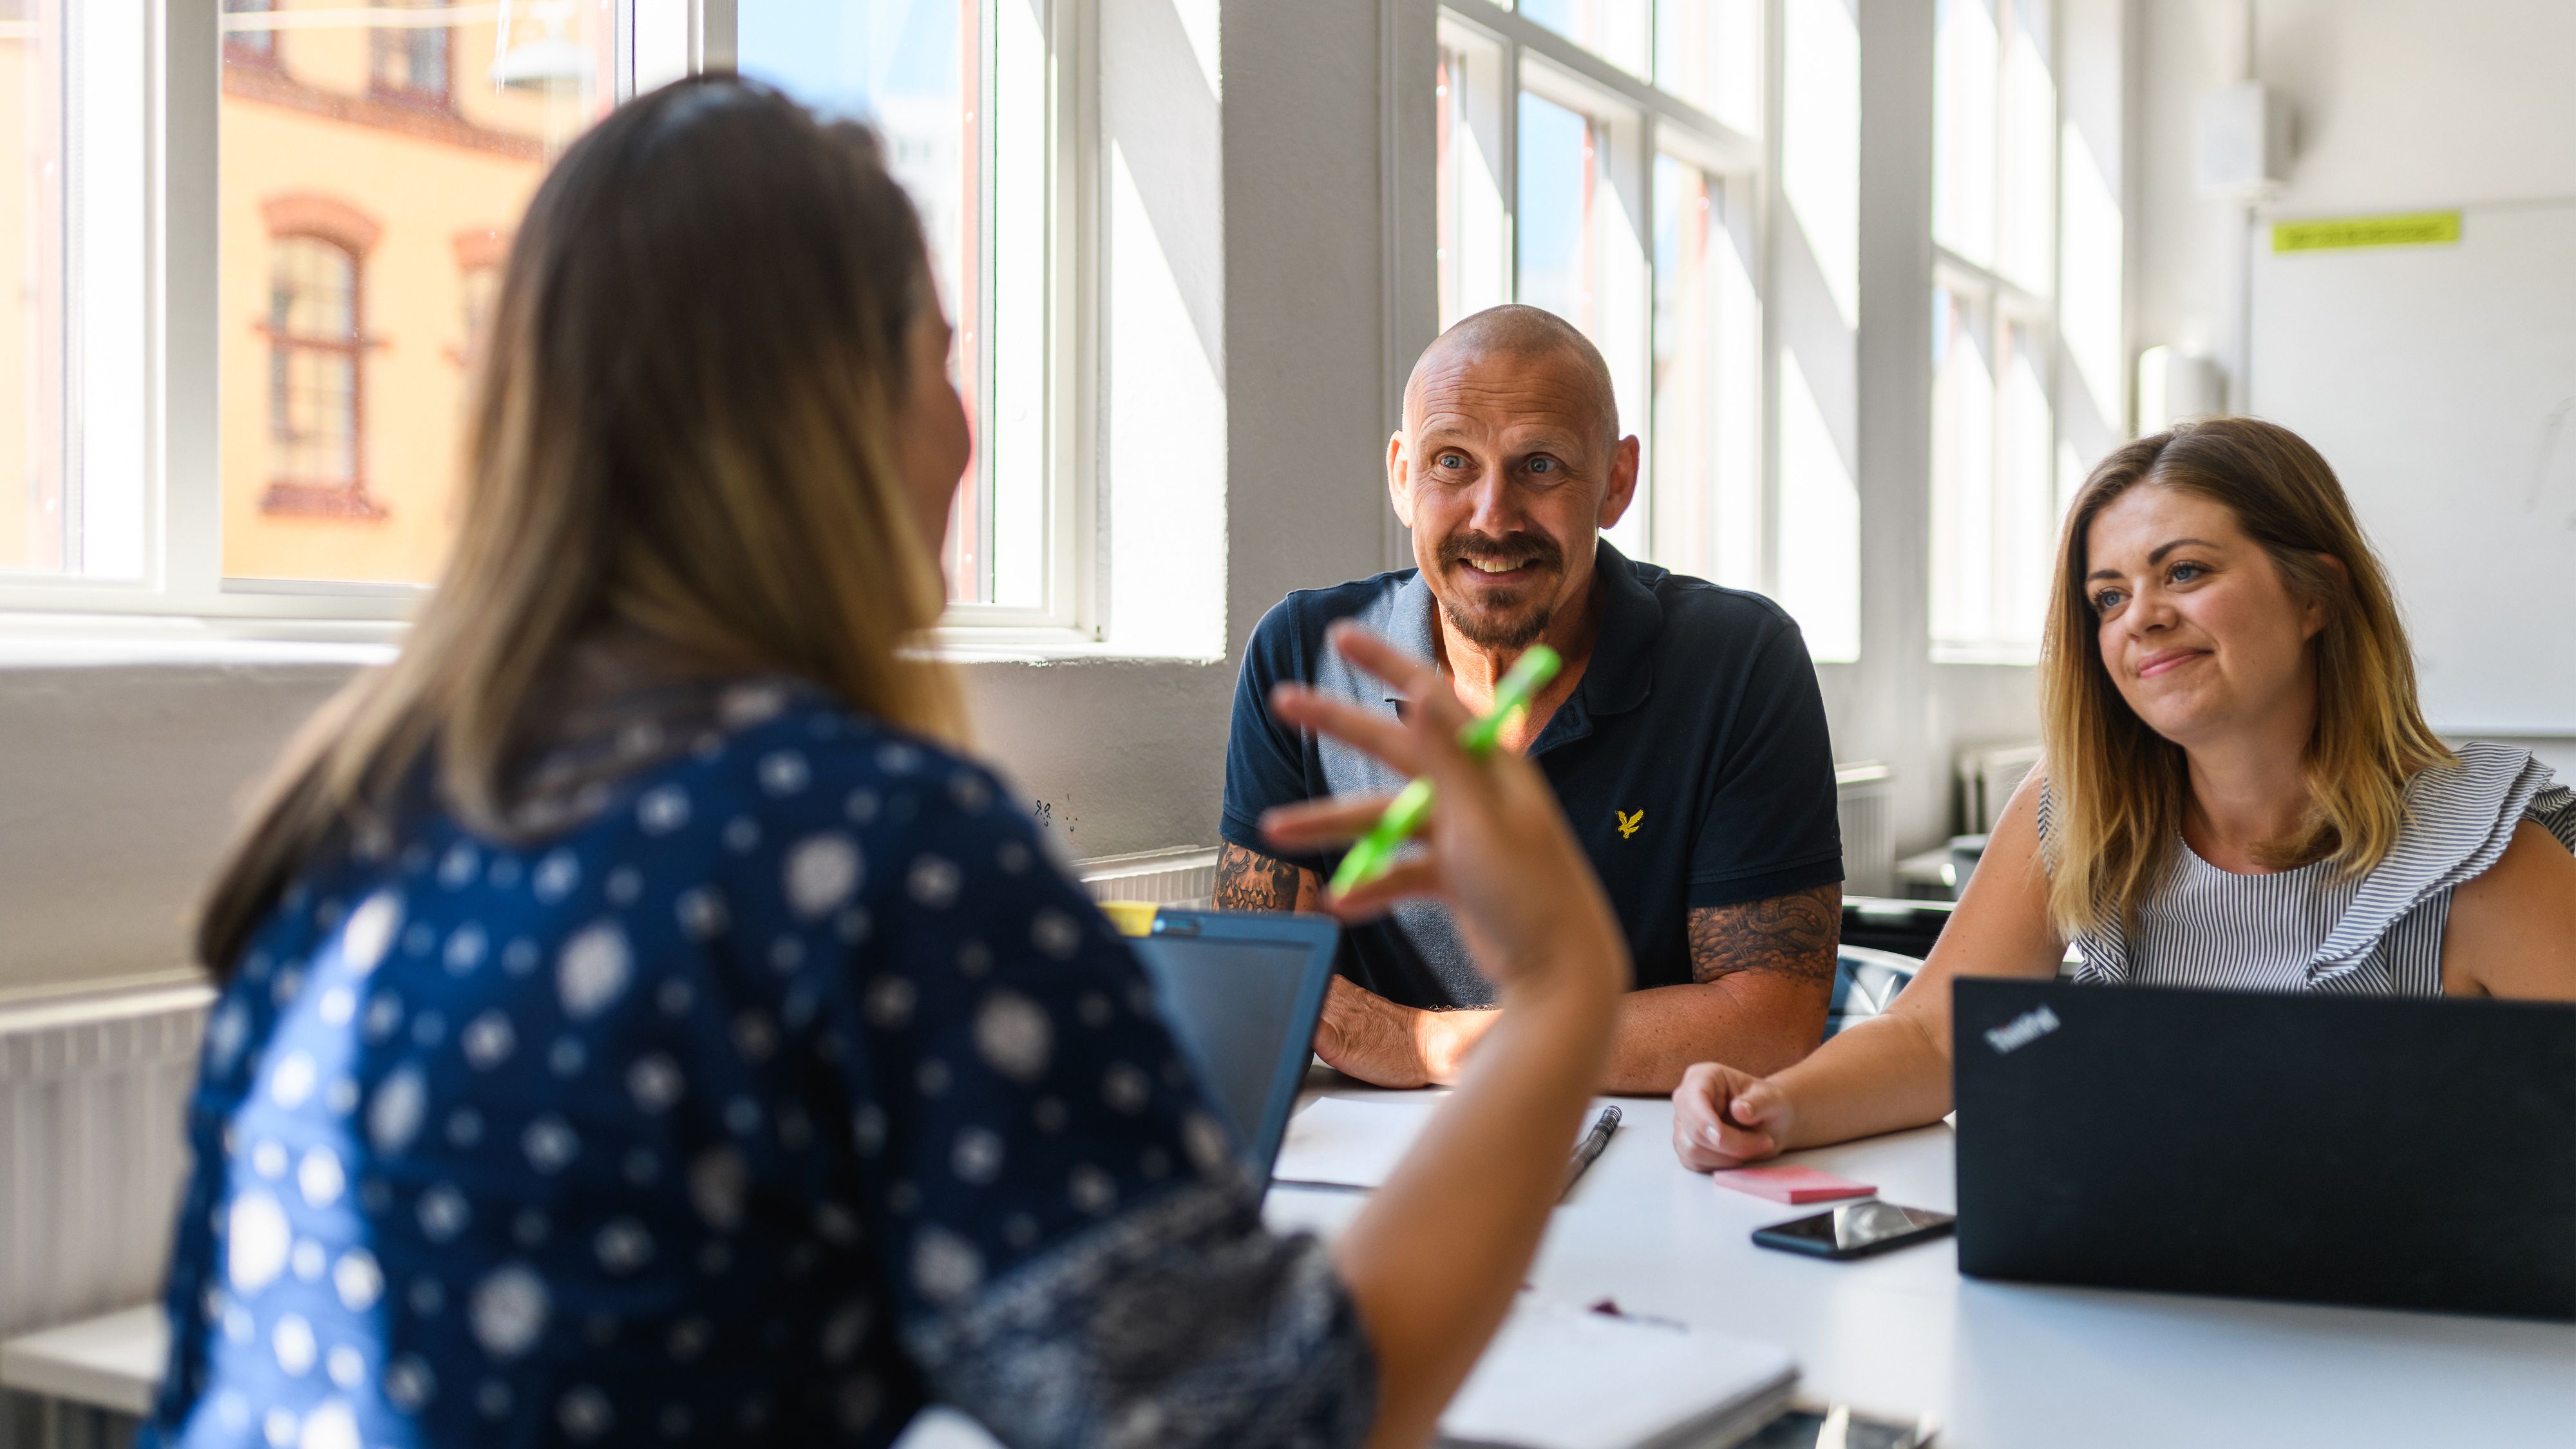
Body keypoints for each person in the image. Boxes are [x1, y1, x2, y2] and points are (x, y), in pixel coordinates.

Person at [145, 77, 1632, 1449]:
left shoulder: (347, 820)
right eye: (937, 359)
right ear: (825, 423)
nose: (965, 428)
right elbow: (1268, 1416)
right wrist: (1558, 984)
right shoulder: (878, 857)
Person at [1672, 415, 2576, 1171]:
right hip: (2146, 1303)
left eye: (2185, 571)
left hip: (2410, 1337)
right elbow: (1936, 1041)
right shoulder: (2075, 806)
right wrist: (1770, 1106)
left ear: (2316, 598)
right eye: (2108, 597)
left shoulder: (2487, 854)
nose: (2140, 616)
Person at [1218, 306, 1844, 1096]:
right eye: (1452, 462)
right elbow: (1256, 985)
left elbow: (1767, 1024)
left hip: (1656, 1160)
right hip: (1367, 1160)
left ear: (1616, 482)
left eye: (1540, 465)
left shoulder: (1739, 660)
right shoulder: (1303, 654)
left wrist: (1424, 1046)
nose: (1494, 516)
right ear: (1402, 477)